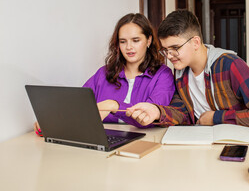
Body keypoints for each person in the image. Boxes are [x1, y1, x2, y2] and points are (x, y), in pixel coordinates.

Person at [125, 10, 249, 128]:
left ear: (195, 42)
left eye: (175, 48)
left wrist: (216, 118)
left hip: (231, 143)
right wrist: (158, 112)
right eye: (165, 50)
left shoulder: (230, 64)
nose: (169, 56)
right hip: (198, 141)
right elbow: (183, 113)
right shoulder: (180, 71)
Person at [34, 13, 175, 134]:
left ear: (148, 40)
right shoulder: (104, 73)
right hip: (103, 141)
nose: (129, 47)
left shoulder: (163, 75)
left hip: (147, 143)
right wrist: (51, 119)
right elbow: (79, 105)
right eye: (123, 42)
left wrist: (113, 105)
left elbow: (149, 116)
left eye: (136, 40)